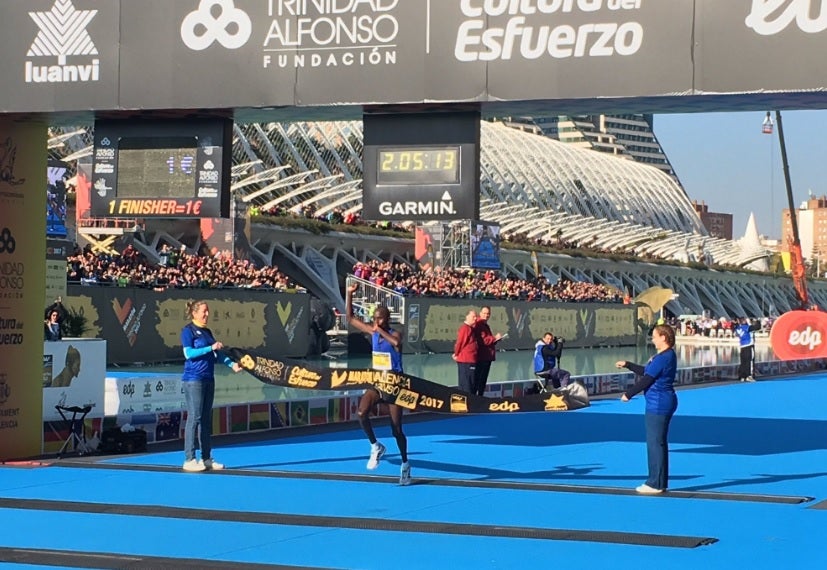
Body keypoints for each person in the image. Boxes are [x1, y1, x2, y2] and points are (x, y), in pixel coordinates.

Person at [345, 283, 411, 485]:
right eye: (374, 319)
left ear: (387, 319)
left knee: (396, 429)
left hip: (394, 383)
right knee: (361, 412)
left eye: (379, 318)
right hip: (378, 382)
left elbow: (396, 343)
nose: (376, 321)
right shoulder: (374, 332)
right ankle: (375, 445)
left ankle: (405, 464)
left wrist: (379, 330)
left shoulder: (395, 333)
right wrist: (349, 295)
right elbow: (350, 319)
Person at [180, 300, 242, 473]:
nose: (207, 314)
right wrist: (210, 347)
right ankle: (189, 459)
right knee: (195, 417)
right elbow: (188, 353)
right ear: (194, 313)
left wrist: (232, 365)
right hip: (193, 379)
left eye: (208, 311)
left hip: (208, 378)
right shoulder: (188, 331)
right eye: (204, 312)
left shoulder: (207, 332)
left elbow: (218, 354)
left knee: (206, 419)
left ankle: (206, 458)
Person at [616, 324, 678, 495]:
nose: (653, 339)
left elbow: (647, 379)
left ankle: (655, 483)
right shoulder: (664, 356)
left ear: (664, 338)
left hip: (658, 403)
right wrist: (628, 364)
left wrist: (628, 394)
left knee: (655, 443)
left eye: (655, 336)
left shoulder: (663, 357)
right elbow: (646, 371)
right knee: (659, 442)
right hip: (661, 401)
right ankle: (659, 480)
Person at [473, 306, 504, 396]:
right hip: (482, 357)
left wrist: (496, 340)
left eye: (488, 314)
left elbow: (488, 341)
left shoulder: (485, 325)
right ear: (480, 313)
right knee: (479, 380)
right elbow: (483, 340)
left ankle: (480, 397)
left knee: (482, 380)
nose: (486, 315)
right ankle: (477, 398)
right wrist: (495, 338)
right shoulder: (479, 324)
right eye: (484, 313)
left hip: (487, 356)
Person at [452, 309, 478, 394]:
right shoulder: (465, 329)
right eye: (473, 316)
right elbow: (460, 343)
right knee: (467, 386)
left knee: (470, 384)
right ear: (467, 317)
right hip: (466, 362)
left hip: (470, 361)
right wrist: (456, 354)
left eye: (476, 317)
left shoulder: (470, 329)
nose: (475, 318)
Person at [734, 317, 761, 382]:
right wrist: (758, 321)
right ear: (743, 321)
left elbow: (736, 334)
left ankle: (742, 376)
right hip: (749, 345)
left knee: (743, 362)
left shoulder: (738, 329)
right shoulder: (747, 327)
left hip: (742, 346)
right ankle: (749, 375)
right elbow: (757, 327)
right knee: (750, 361)